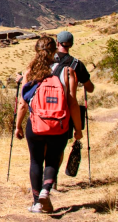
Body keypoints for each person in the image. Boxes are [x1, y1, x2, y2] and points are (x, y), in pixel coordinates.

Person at [15, 36, 83, 213]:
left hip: (36, 124)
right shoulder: (68, 71)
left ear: (36, 51)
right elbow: (73, 103)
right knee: (52, 159)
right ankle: (46, 190)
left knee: (36, 161)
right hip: (60, 125)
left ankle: (37, 201)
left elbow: (22, 103)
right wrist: (77, 128)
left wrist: (18, 126)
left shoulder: (30, 71)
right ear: (55, 50)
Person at [51, 30, 93, 190]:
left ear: (57, 42)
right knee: (59, 147)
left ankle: (43, 178)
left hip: (43, 111)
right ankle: (52, 177)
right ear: (71, 44)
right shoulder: (76, 65)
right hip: (64, 112)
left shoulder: (46, 61)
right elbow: (90, 88)